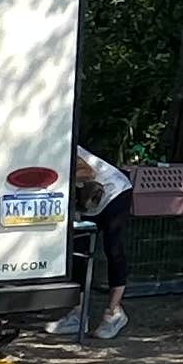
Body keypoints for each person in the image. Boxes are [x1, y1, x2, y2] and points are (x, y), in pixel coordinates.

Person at [49, 143, 132, 341]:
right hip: (86, 203)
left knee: (113, 249)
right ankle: (78, 313)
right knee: (78, 250)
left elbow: (88, 172)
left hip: (114, 193)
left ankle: (114, 312)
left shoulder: (63, 142)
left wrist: (61, 178)